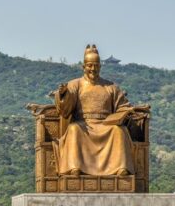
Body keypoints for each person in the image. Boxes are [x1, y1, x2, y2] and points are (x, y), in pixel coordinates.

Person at [53, 45, 148, 177]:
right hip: (84, 125)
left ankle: (120, 168)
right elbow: (64, 109)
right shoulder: (75, 84)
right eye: (90, 65)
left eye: (96, 65)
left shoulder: (111, 86)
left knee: (119, 131)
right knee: (74, 129)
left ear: (100, 67)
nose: (93, 69)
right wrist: (63, 94)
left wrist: (129, 110)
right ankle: (75, 167)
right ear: (84, 66)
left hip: (106, 124)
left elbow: (122, 105)